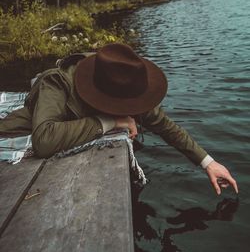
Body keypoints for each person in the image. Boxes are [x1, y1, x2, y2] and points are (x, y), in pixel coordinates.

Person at [0, 43, 238, 195]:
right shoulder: (57, 83)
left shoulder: (126, 84)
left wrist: (208, 163)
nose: (130, 109)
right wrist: (111, 122)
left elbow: (166, 126)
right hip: (24, 119)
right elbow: (44, 139)